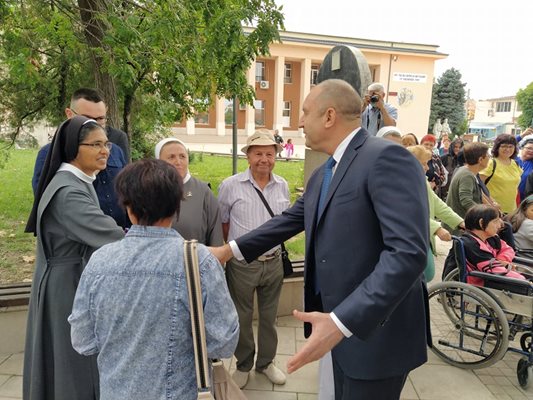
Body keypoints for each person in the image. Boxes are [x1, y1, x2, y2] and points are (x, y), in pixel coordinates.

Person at [212, 79, 430, 400]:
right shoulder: (323, 173)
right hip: (338, 329)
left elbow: (407, 254)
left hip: (375, 336)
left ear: (329, 116)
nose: (299, 122)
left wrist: (341, 322)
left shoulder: (386, 158)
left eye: (304, 112)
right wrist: (227, 251)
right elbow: (288, 221)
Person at [68, 159, 239, 400]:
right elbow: (223, 342)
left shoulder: (99, 261)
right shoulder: (199, 261)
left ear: (128, 206)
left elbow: (83, 341)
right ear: (176, 206)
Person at [23, 116, 125, 400]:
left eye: (106, 144)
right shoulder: (68, 191)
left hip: (70, 277)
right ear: (72, 149)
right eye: (95, 144)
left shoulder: (79, 181)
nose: (105, 150)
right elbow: (111, 235)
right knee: (73, 364)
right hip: (66, 286)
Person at [217, 129, 290, 389]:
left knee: (270, 318)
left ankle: (266, 363)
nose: (264, 159)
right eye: (258, 153)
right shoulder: (230, 185)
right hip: (242, 264)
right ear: (247, 156)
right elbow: (224, 223)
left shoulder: (282, 185)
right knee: (242, 316)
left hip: (274, 262)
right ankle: (244, 364)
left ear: (276, 157)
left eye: (269, 154)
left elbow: (285, 224)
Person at [31, 88, 130, 229]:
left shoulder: (116, 150)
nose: (95, 124)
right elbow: (47, 204)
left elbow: (129, 192)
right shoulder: (50, 154)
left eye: (100, 118)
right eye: (87, 118)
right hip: (81, 239)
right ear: (69, 114)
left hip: (121, 238)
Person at [407, 145, 464, 281]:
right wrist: (436, 228)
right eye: (423, 163)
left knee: (425, 276)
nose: (427, 167)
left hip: (422, 236)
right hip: (410, 238)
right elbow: (407, 213)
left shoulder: (422, 181)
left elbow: (437, 205)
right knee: (423, 275)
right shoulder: (403, 184)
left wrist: (460, 222)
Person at [154, 138, 223, 246]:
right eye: (171, 157)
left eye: (182, 156)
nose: (178, 162)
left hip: (196, 260)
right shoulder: (150, 189)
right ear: (158, 161)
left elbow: (215, 232)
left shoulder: (203, 191)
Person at [462, 204, 525, 286]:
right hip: (480, 284)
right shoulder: (472, 244)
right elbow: (495, 269)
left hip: (491, 276)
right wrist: (524, 280)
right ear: (481, 223)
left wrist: (500, 260)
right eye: (495, 221)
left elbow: (508, 249)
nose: (499, 226)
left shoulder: (491, 238)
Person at [445, 142, 490, 233]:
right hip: (460, 227)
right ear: (480, 159)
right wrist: (484, 214)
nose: (490, 158)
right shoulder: (467, 175)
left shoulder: (466, 170)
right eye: (488, 155)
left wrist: (490, 205)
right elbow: (466, 201)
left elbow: (478, 192)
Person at [479, 134, 522, 214]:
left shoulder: (515, 163)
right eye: (504, 146)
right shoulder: (491, 163)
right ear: (497, 147)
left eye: (510, 146)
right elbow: (478, 185)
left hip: (512, 209)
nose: (507, 149)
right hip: (493, 209)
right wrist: (490, 203)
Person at [516, 134, 533, 200]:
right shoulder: (512, 160)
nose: (531, 151)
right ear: (522, 148)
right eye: (529, 148)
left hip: (526, 199)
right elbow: (508, 143)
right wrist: (522, 135)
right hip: (510, 197)